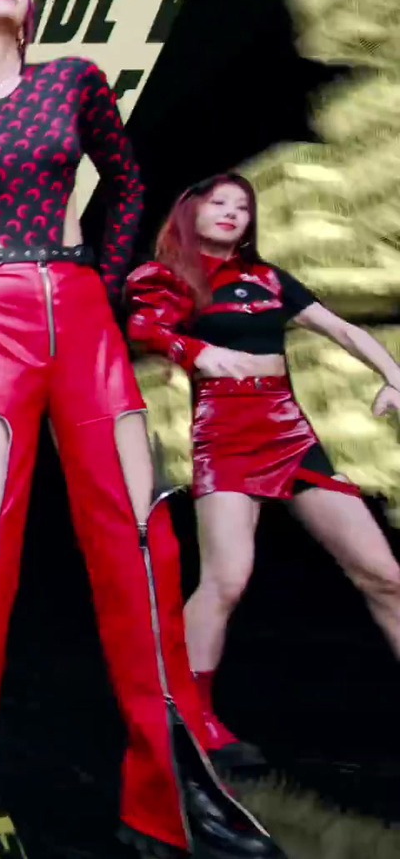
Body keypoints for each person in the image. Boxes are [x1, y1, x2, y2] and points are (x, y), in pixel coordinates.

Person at [0, 0, 282, 857]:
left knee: (140, 536)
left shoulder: (72, 81)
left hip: (78, 307)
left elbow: (126, 185)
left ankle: (174, 797)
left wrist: (108, 283)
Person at [126, 172, 400, 771]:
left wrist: (393, 375)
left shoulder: (268, 277)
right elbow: (145, 327)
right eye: (217, 203)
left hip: (290, 430)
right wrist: (195, 351)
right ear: (189, 211)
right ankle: (190, 718)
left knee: (384, 574)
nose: (231, 213)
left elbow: (343, 329)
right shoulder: (169, 275)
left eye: (242, 207)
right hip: (226, 432)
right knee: (227, 578)